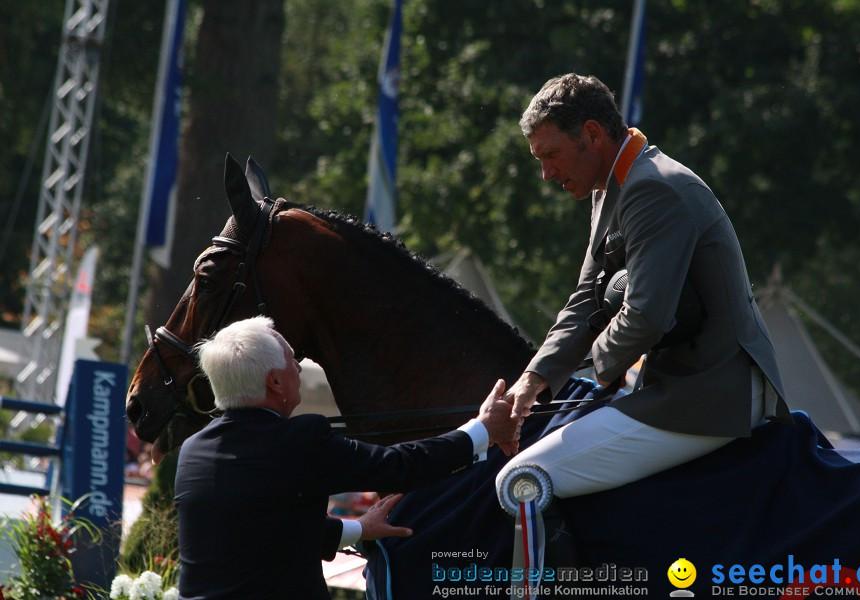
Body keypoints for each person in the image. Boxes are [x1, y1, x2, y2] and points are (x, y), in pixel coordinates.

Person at [497, 73, 792, 504]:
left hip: (712, 393)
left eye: (552, 155)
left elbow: (646, 316)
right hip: (678, 386)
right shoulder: (614, 182)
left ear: (592, 134)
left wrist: (596, 371)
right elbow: (585, 299)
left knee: (525, 478)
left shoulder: (652, 186)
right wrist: (534, 378)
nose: (546, 174)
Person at [175, 316, 517, 599]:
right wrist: (483, 429)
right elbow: (398, 467)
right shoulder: (300, 439)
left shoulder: (193, 451)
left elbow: (267, 530)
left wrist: (359, 528)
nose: (299, 365)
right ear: (275, 381)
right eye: (293, 358)